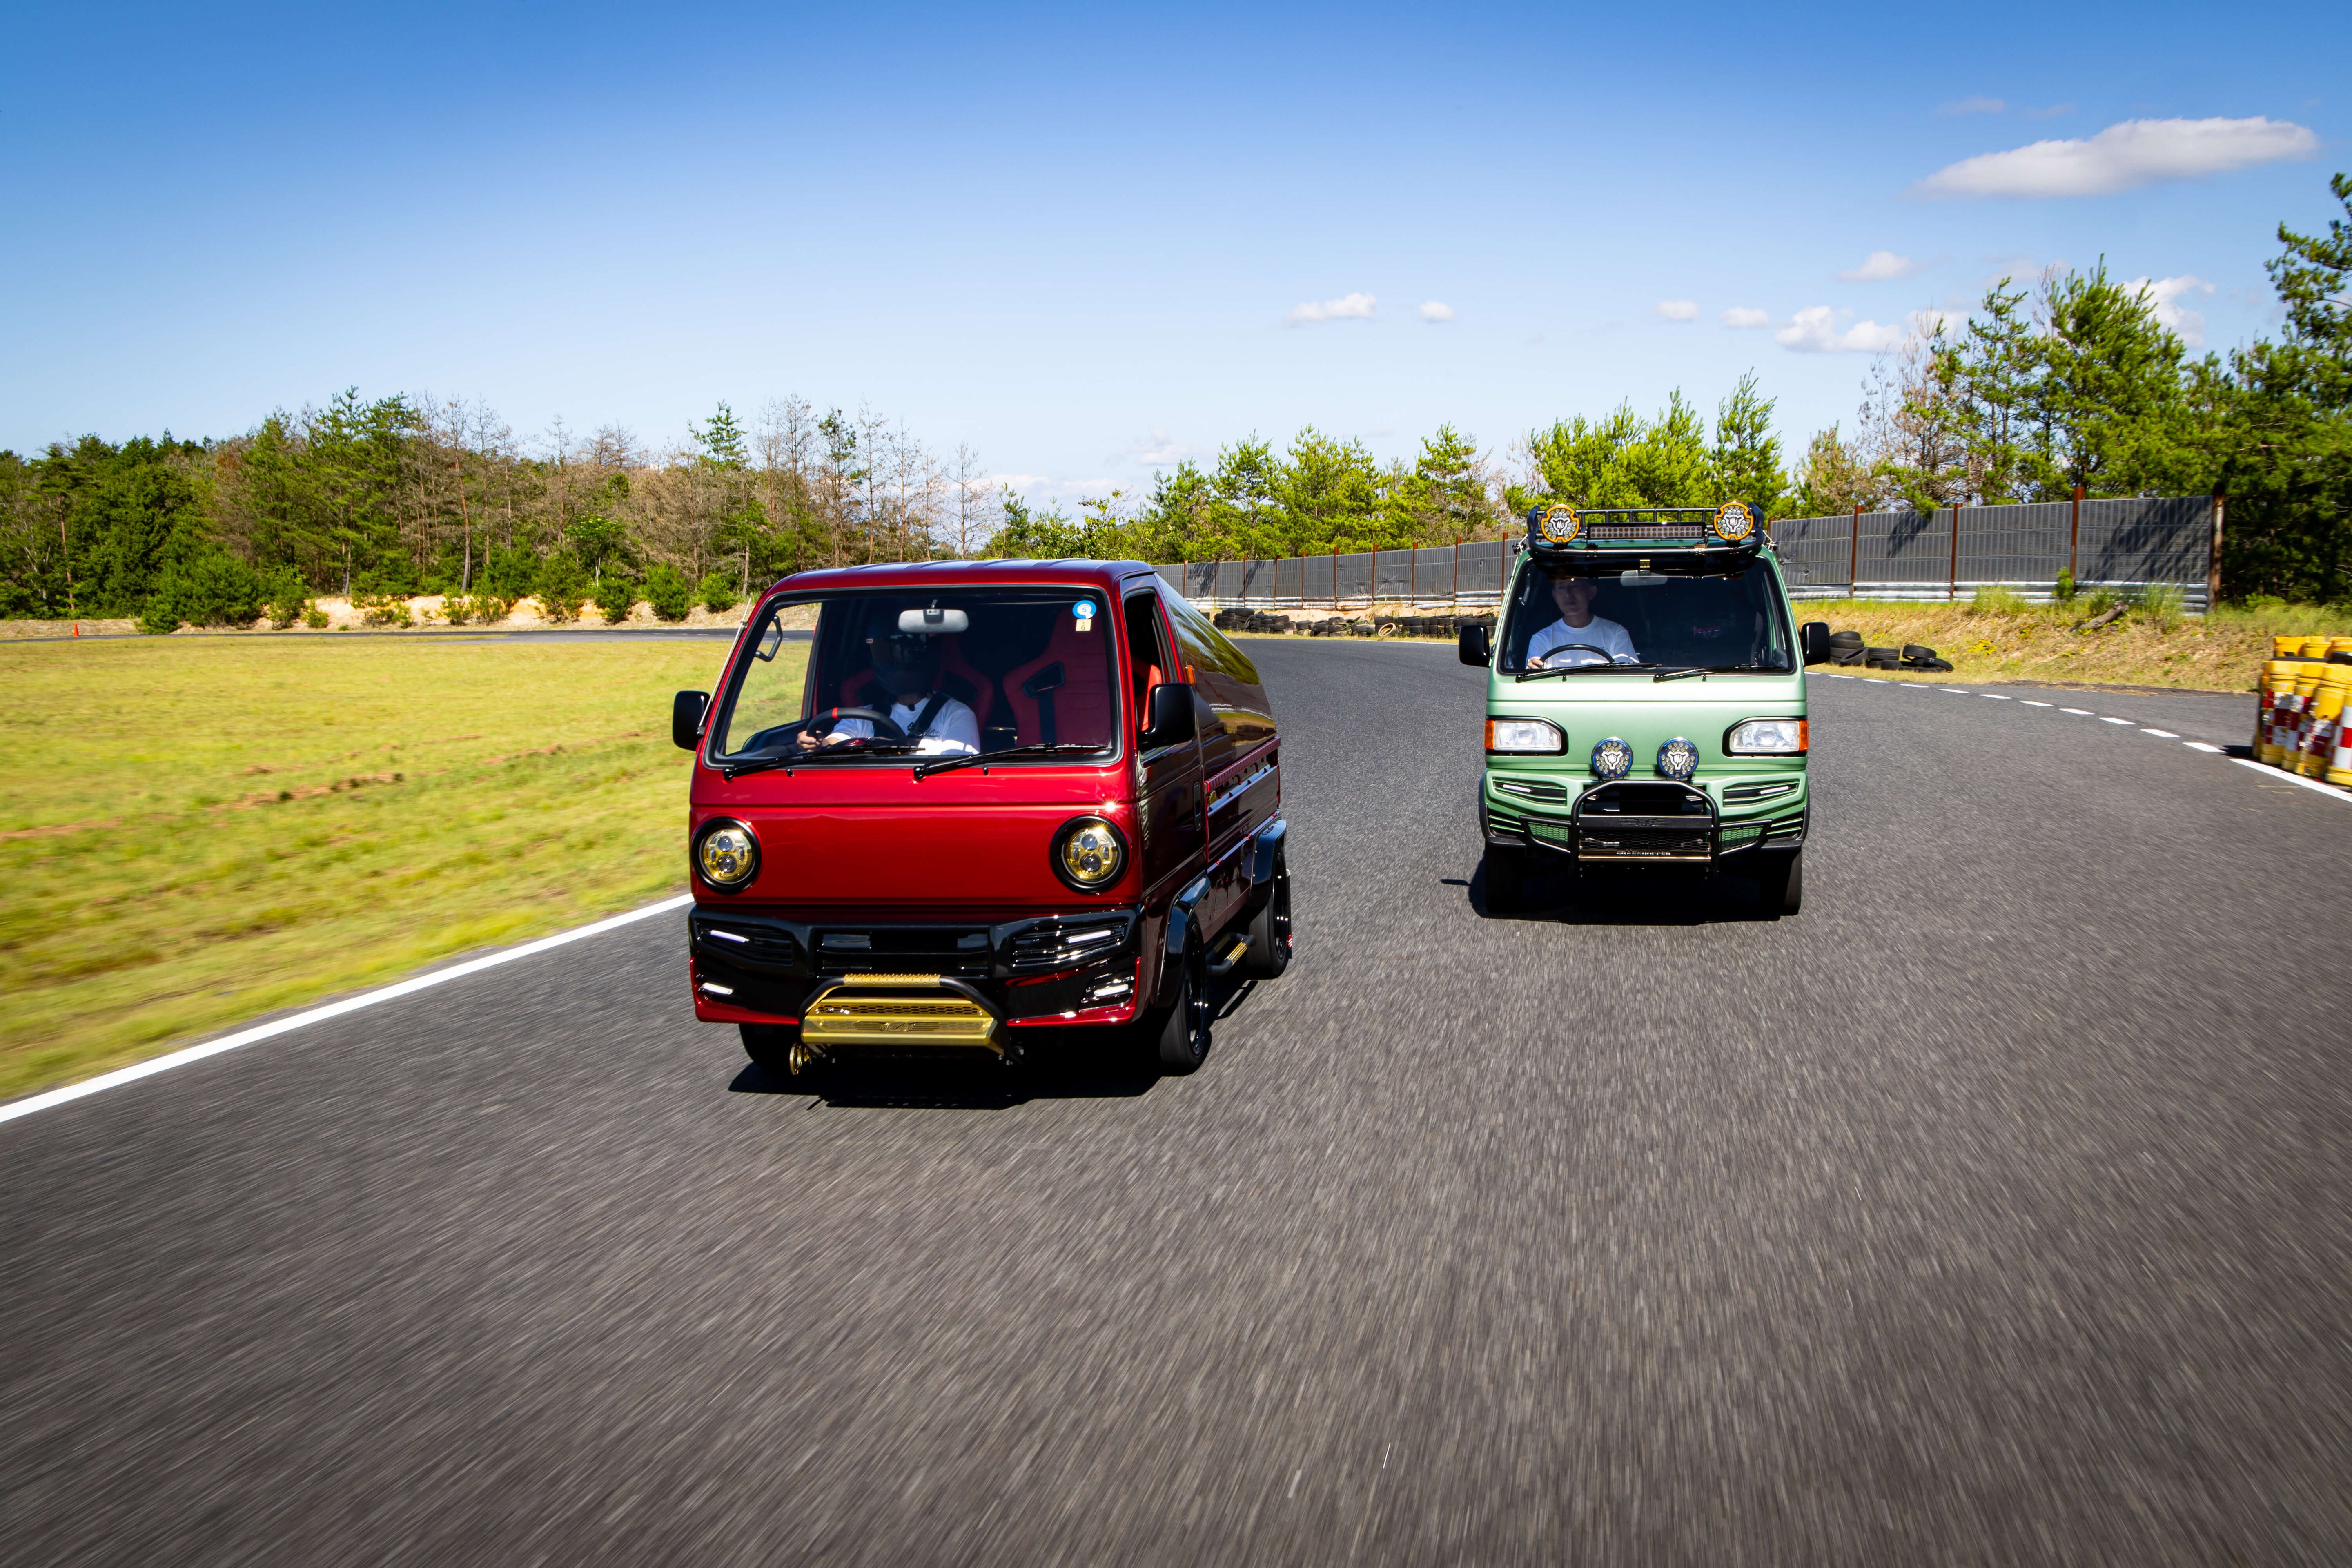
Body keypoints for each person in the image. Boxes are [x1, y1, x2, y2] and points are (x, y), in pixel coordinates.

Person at [802, 623, 980, 756]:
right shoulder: (860, 717)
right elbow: (834, 743)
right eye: (890, 656)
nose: (900, 666)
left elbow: (953, 778)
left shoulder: (957, 715)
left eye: (908, 655)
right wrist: (816, 745)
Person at [1526, 575, 1639, 667]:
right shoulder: (1541, 639)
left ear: (1592, 592)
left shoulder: (1617, 634)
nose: (1568, 593)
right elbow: (1535, 680)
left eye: (1575, 586)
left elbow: (1626, 677)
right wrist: (1533, 668)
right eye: (1561, 587)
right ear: (1555, 596)